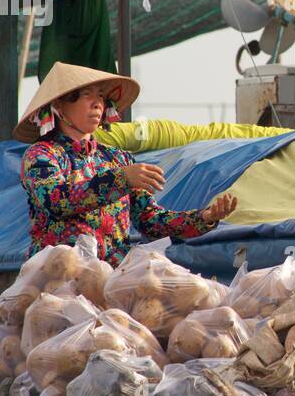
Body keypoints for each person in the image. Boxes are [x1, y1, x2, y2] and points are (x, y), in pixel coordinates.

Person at [15, 62, 237, 266]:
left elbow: (151, 221)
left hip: (110, 279)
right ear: (59, 107)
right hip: (59, 277)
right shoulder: (42, 155)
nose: (97, 103)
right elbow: (56, 200)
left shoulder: (117, 159)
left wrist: (205, 217)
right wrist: (121, 179)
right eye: (86, 95)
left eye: (101, 96)